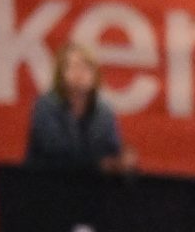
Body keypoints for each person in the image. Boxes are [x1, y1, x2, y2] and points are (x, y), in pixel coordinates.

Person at [25, 40, 130, 171]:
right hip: (50, 178)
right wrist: (98, 162)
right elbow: (56, 150)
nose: (80, 73)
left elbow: (112, 151)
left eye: (86, 67)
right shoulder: (45, 106)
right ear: (60, 74)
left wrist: (121, 161)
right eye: (73, 66)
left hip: (93, 181)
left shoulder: (104, 111)